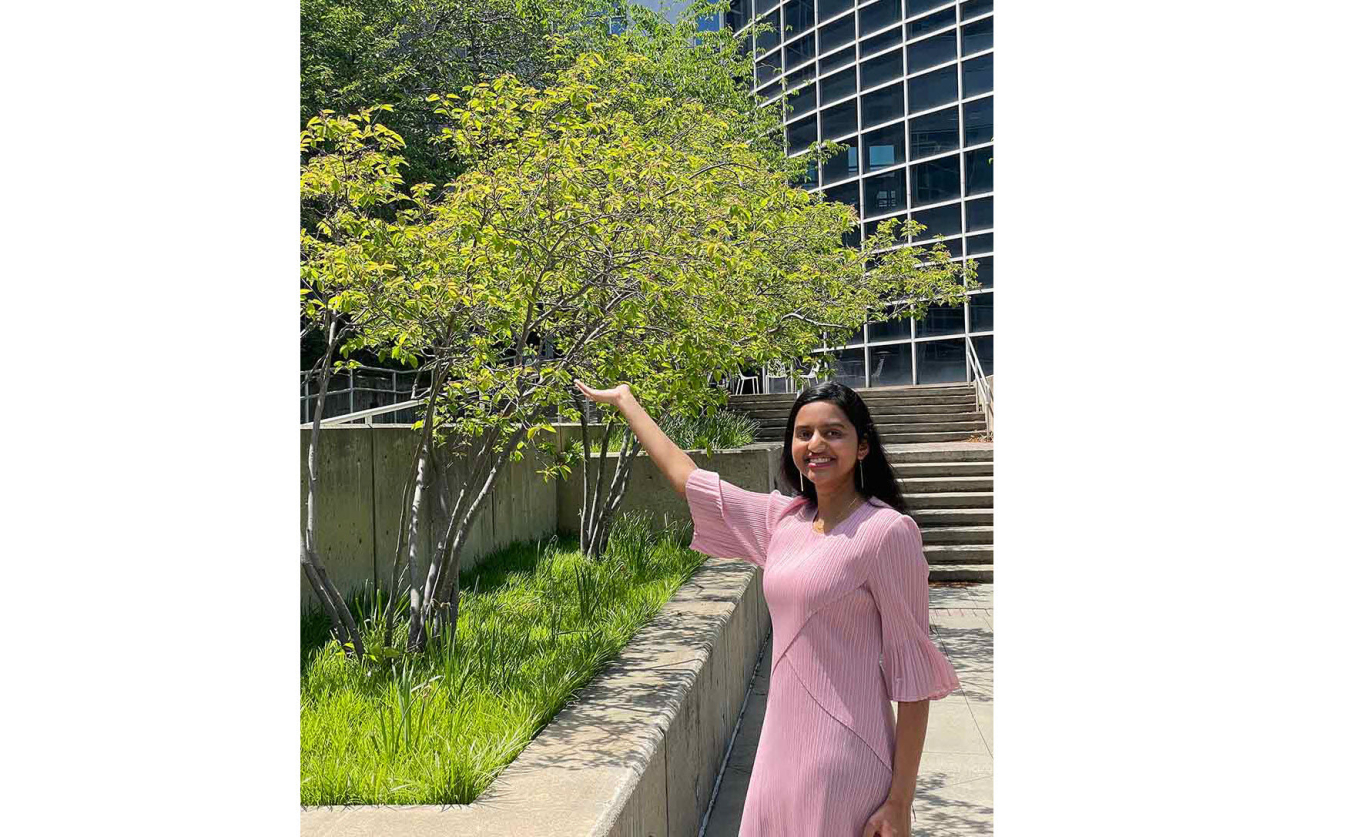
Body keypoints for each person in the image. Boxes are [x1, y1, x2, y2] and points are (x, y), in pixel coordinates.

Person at [573, 377, 961, 837]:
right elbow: (690, 481)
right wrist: (627, 402)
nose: (816, 444)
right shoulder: (784, 520)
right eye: (803, 433)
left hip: (844, 759)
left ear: (862, 447)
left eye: (833, 432)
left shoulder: (887, 533)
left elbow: (913, 679)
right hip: (778, 750)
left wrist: (900, 801)